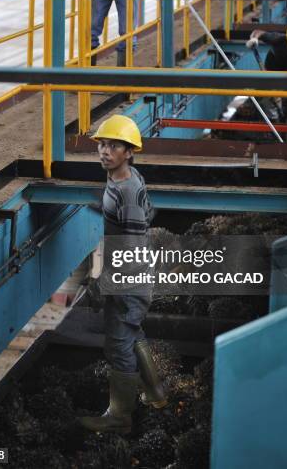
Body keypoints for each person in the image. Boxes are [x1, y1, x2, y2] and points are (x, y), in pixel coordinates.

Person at [78, 114, 167, 434]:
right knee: (133, 333)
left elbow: (130, 241)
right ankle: (155, 393)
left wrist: (103, 277)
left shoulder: (124, 190)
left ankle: (119, 418)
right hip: (138, 275)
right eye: (101, 144)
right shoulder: (127, 177)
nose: (104, 151)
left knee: (118, 345)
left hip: (129, 278)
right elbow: (150, 213)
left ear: (129, 151)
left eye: (113, 146)